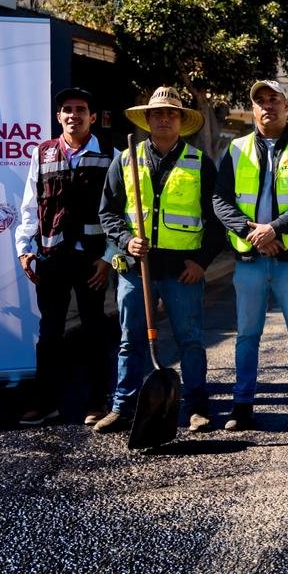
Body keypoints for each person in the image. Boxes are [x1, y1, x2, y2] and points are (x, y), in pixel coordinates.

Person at [94, 87, 223, 434]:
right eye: (157, 113)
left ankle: (196, 406)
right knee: (129, 340)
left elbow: (216, 220)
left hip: (183, 271)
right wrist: (125, 240)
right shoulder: (126, 160)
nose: (164, 118)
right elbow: (108, 212)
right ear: (147, 119)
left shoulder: (200, 163)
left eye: (171, 113)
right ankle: (123, 407)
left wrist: (202, 263)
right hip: (137, 269)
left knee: (191, 340)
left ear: (181, 120)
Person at [213, 80, 288, 433]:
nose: (266, 106)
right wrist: (253, 233)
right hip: (250, 258)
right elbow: (220, 201)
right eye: (259, 100)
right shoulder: (235, 150)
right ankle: (242, 404)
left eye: (273, 99)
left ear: (286, 105)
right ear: (253, 107)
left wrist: (274, 230)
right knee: (247, 334)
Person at [14, 87, 115, 426]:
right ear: (59, 117)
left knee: (94, 332)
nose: (74, 115)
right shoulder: (41, 154)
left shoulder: (110, 155)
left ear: (93, 116)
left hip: (92, 261)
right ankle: (45, 402)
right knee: (50, 333)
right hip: (52, 258)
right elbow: (30, 205)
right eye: (67, 110)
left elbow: (122, 211)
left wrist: (108, 258)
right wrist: (25, 251)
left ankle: (97, 401)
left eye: (81, 109)